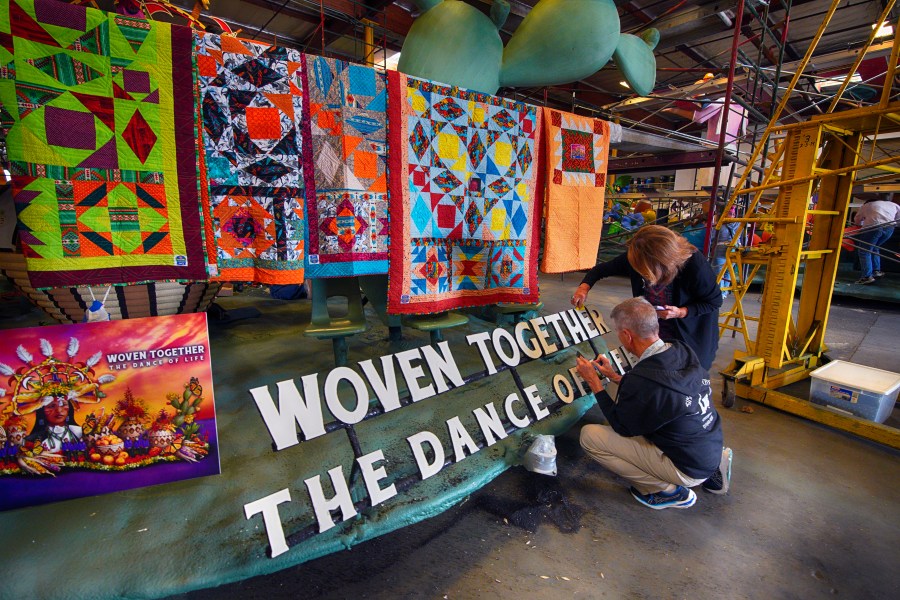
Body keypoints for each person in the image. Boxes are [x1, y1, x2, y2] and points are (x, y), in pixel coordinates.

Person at [575, 298, 732, 509]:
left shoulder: (642, 380)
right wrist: (614, 375)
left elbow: (620, 425)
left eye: (618, 332)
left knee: (590, 436)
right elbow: (660, 393)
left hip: (688, 465)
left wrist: (595, 383)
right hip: (709, 445)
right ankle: (713, 469)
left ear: (627, 336)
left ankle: (665, 491)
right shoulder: (681, 350)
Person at [571, 225, 723, 371]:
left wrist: (681, 312)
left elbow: (714, 301)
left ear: (662, 263)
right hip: (657, 334)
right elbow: (601, 270)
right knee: (656, 373)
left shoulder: (694, 265)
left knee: (685, 379)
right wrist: (584, 287)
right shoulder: (638, 255)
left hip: (691, 336)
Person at [852, 198, 899, 284]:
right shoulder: (893, 204)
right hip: (889, 228)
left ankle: (866, 277)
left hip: (873, 228)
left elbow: (857, 220)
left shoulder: (866, 205)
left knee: (864, 251)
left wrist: (861, 225)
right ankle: (876, 272)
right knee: (874, 248)